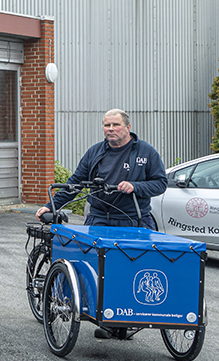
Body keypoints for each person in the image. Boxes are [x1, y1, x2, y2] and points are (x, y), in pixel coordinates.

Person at [35, 109, 167, 341]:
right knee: (99, 272)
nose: (110, 129)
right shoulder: (95, 152)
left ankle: (124, 321)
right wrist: (51, 205)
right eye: (107, 125)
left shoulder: (146, 152)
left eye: (115, 125)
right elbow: (75, 183)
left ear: (127, 127)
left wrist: (136, 186)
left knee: (129, 271)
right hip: (98, 219)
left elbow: (160, 183)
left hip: (133, 221)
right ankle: (105, 319)